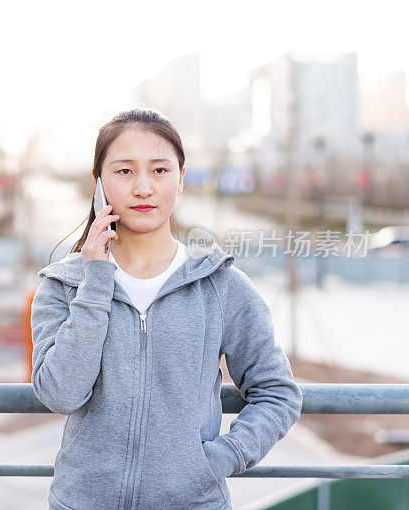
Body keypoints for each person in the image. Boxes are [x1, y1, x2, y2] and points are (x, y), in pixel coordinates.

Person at [30, 108, 302, 510]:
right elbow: (61, 394)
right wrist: (96, 281)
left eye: (160, 171)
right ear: (98, 184)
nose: (143, 188)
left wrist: (216, 460)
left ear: (180, 181)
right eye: (124, 171)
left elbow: (277, 393)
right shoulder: (64, 285)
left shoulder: (221, 286)